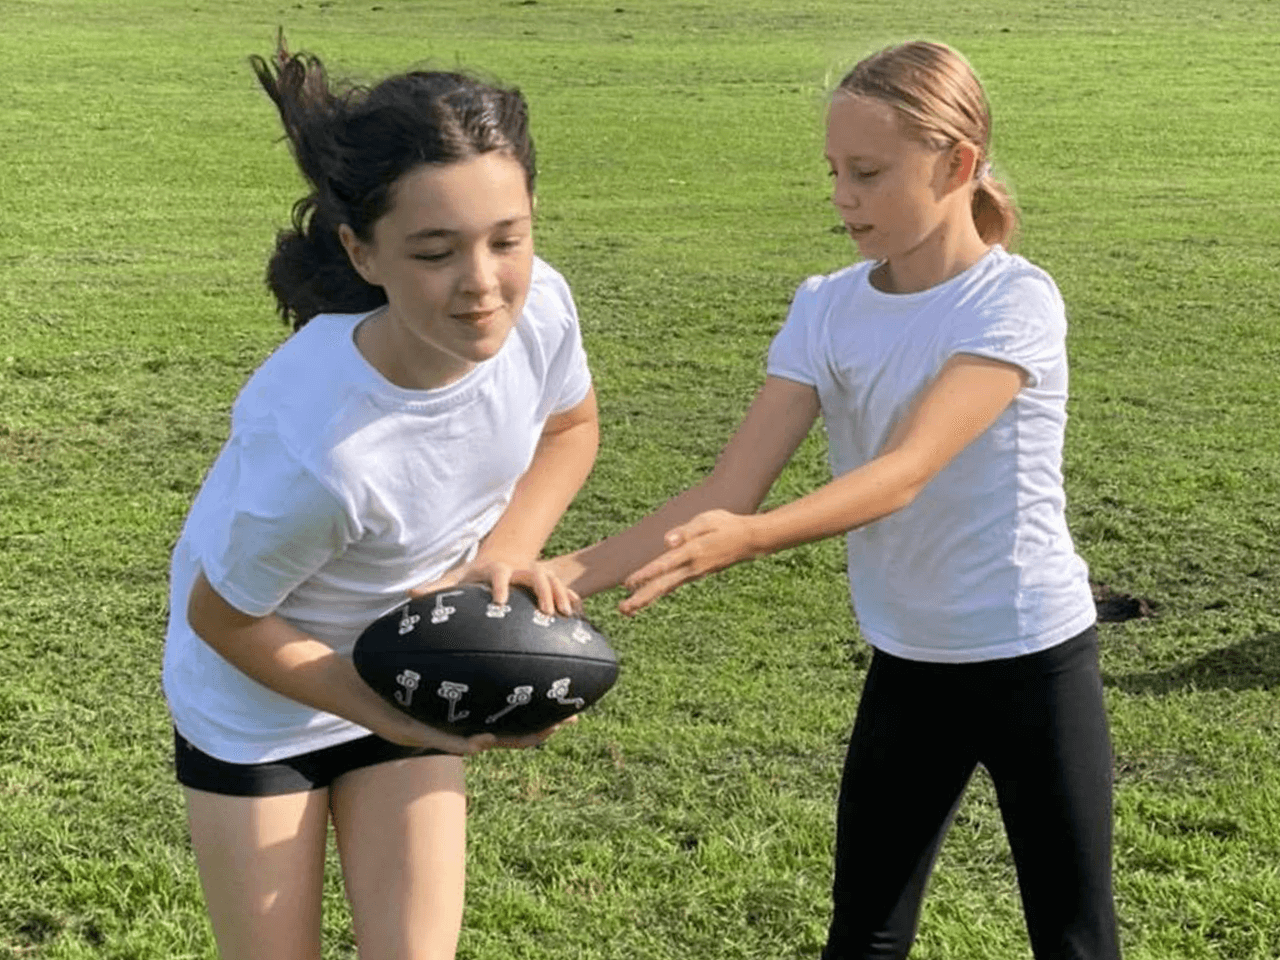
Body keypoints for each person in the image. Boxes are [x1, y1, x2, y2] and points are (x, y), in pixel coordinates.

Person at [547, 39, 1121, 960]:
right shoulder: (825, 306)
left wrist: (753, 539)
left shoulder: (1013, 303)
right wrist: (563, 572)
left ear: (957, 165)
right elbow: (728, 487)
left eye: (868, 172)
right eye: (834, 172)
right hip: (910, 663)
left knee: (1075, 937)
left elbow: (905, 469)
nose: (841, 196)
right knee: (863, 935)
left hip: (1033, 658)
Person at [161, 37, 598, 960]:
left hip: (408, 658)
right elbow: (224, 618)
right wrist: (385, 712)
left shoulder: (541, 309)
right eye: (435, 252)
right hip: (259, 699)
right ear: (362, 252)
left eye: (507, 239)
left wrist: (506, 547)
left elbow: (569, 428)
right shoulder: (321, 452)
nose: (484, 285)